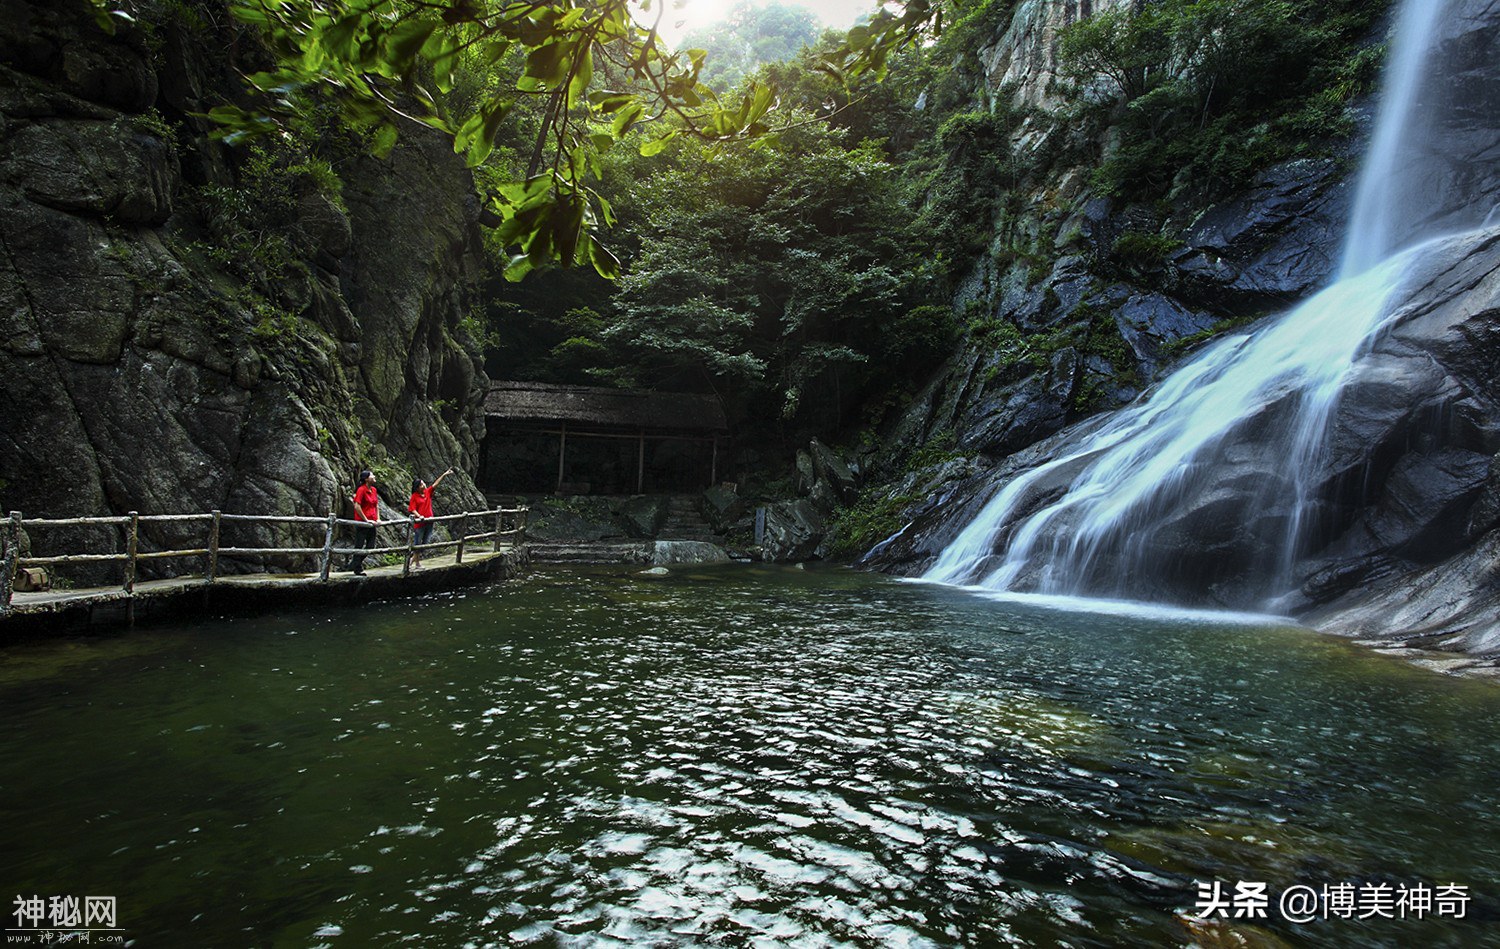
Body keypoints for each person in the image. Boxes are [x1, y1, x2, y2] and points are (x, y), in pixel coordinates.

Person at [407, 467, 454, 568]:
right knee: (417, 543)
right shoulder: (414, 496)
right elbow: (412, 509)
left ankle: (411, 560)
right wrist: (419, 516)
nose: (424, 485)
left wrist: (444, 474)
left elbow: (435, 484)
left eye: (423, 483)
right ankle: (416, 563)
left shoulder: (427, 492)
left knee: (425, 544)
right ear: (417, 487)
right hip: (420, 523)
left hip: (429, 521)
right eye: (421, 484)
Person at [348, 470, 379, 575]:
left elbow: (376, 505)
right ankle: (357, 568)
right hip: (362, 522)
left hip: (372, 522)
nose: (374, 476)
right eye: (371, 475)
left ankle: (355, 563)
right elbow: (357, 505)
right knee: (359, 545)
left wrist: (378, 518)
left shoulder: (374, 490)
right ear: (366, 479)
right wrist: (365, 519)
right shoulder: (361, 490)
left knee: (370, 546)